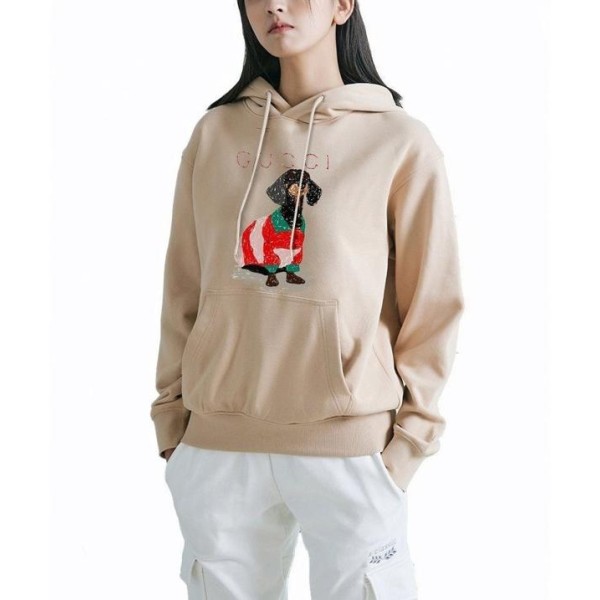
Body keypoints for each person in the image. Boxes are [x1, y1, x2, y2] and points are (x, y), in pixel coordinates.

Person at [149, 1, 465, 598]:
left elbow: (433, 301)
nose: (274, 4)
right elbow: (183, 285)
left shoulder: (399, 142)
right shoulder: (215, 133)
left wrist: (410, 442)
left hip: (351, 447)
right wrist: (173, 420)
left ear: (343, 4)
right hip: (218, 446)